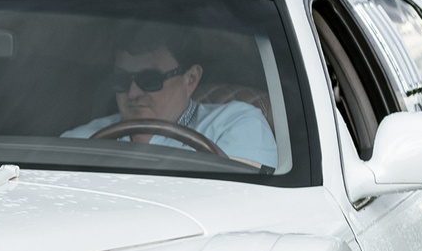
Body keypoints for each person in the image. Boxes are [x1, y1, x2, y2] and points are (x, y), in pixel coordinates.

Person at [63, 33, 276, 165]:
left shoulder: (235, 125)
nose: (133, 93)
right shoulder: (82, 140)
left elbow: (243, 205)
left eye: (150, 79)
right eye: (122, 79)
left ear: (191, 78)